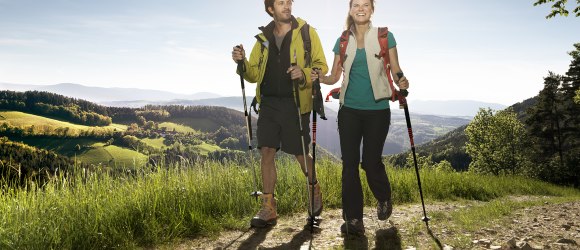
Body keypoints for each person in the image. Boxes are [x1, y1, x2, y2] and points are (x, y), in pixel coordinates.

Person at [312, 0, 409, 236]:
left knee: (371, 162)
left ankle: (384, 197)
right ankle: (354, 219)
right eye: (356, 4)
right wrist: (320, 77)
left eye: (365, 4)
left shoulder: (386, 36)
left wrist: (402, 81)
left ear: (372, 9)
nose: (361, 8)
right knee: (349, 165)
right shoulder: (343, 40)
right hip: (349, 111)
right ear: (350, 9)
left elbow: (395, 68)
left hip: (378, 110)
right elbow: (335, 76)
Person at [231, 0, 328, 228]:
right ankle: (268, 208)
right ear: (270, 9)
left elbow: (321, 66)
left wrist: (303, 72)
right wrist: (242, 62)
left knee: (300, 153)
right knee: (266, 151)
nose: (287, 6)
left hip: (296, 102)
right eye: (281, 3)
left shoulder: (306, 32)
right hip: (269, 104)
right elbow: (253, 74)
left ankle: (314, 189)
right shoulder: (263, 39)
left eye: (289, 2)